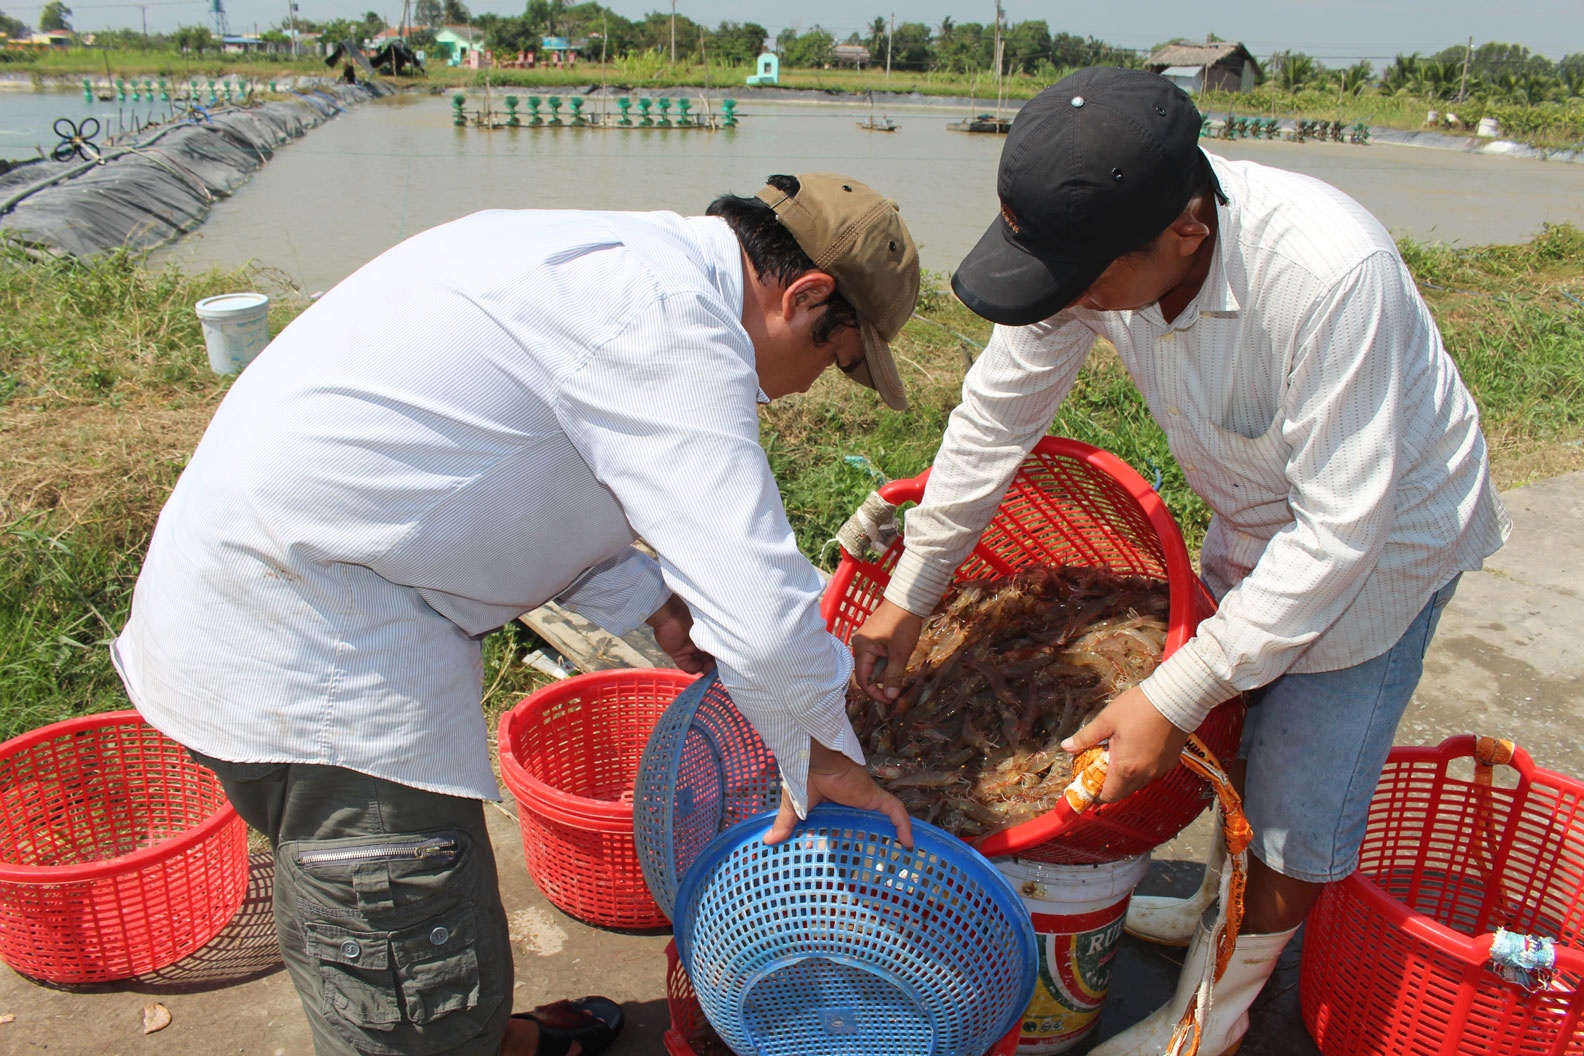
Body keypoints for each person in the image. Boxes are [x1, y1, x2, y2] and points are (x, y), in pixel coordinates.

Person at [111, 172, 918, 1056]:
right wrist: (830, 758)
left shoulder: (614, 262)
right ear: (805, 297)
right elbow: (765, 617)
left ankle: (491, 1038)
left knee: (380, 920)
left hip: (252, 602)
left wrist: (653, 604)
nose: (804, 391)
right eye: (832, 362)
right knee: (405, 944)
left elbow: (528, 475)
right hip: (313, 662)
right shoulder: (666, 324)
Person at [850, 68, 1511, 1056]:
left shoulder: (1331, 275)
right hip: (1255, 514)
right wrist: (914, 588)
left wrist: (1170, 691)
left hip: (1386, 543)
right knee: (1234, 747)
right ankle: (1220, 912)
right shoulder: (1105, 239)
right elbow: (996, 417)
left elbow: (1339, 533)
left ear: (1187, 233)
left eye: (1085, 280)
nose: (1068, 300)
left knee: (1294, 804)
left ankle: (1215, 1021)